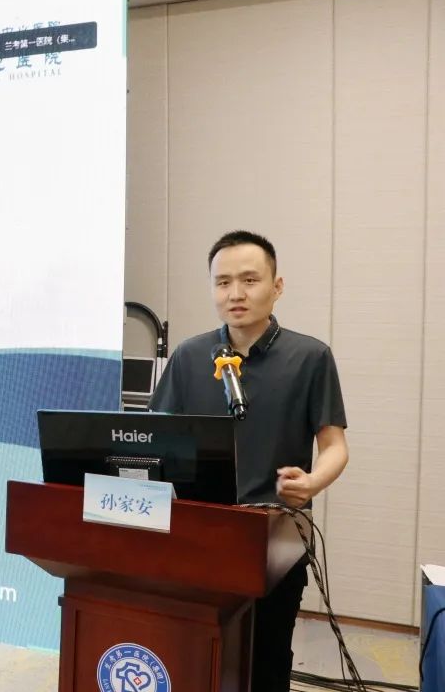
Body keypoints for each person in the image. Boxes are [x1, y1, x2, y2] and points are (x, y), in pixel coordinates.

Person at [149, 229, 349, 692]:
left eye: (249, 280)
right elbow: (154, 437)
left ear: (277, 287)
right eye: (223, 282)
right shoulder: (189, 355)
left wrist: (313, 482)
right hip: (198, 532)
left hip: (275, 535)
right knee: (195, 653)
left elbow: (335, 445)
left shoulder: (310, 357)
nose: (235, 294)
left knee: (266, 657)